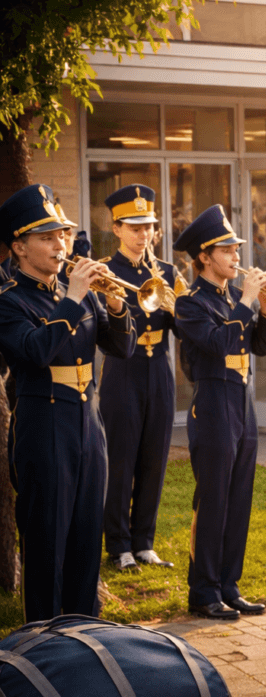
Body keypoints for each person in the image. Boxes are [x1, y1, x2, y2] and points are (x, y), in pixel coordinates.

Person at [0, 184, 135, 621]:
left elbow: (122, 348)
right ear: (19, 247)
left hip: (87, 424)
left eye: (63, 234)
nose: (61, 245)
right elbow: (36, 351)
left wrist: (115, 305)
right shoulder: (10, 301)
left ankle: (85, 636)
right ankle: (41, 644)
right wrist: (76, 299)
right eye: (48, 237)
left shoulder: (79, 292)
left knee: (84, 539)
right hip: (44, 426)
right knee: (46, 543)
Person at [171, 205, 266, 620]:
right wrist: (249, 302)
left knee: (239, 496)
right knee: (213, 498)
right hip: (213, 400)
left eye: (236, 249)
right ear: (204, 257)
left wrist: (264, 309)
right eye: (228, 250)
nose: (236, 257)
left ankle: (229, 585)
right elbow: (219, 343)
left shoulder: (235, 297)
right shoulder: (189, 303)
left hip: (241, 400)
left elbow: (260, 348)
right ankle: (204, 590)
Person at [99, 184, 178, 572]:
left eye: (148, 226)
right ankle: (118, 544)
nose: (142, 234)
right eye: (134, 227)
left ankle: (144, 541)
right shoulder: (106, 271)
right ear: (116, 229)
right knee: (121, 456)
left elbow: (180, 324)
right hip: (123, 368)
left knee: (154, 456)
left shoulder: (166, 271)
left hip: (159, 365)